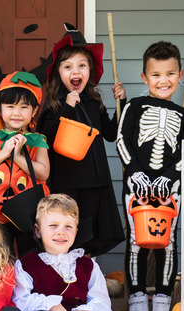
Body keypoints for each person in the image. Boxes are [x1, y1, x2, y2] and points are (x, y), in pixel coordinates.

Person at [116, 41, 184, 311]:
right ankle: (137, 296)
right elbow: (122, 141)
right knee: (136, 242)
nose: (164, 81)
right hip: (136, 186)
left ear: (180, 76)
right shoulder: (134, 107)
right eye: (156, 75)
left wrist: (170, 177)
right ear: (145, 78)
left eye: (170, 74)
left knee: (168, 242)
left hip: (170, 188)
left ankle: (163, 297)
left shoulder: (183, 115)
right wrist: (135, 171)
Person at [38, 26, 126, 257]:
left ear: (89, 70)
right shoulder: (55, 104)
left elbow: (110, 133)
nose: (75, 71)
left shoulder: (93, 102)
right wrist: (67, 107)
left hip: (95, 180)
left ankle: (86, 273)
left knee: (90, 234)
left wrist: (121, 105)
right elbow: (46, 137)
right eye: (68, 67)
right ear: (59, 72)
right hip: (67, 181)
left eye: (81, 65)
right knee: (68, 229)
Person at [0, 71, 50, 256]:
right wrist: (4, 153)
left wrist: (19, 158)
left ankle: (29, 285)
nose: (16, 113)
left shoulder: (37, 140)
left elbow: (44, 173)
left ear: (34, 111)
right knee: (0, 255)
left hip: (28, 211)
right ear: (0, 109)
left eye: (24, 107)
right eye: (10, 106)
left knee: (30, 254)